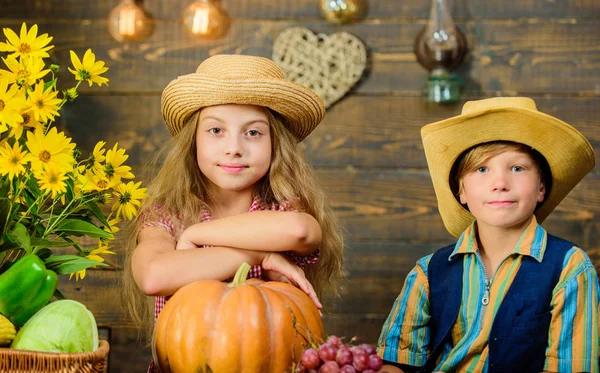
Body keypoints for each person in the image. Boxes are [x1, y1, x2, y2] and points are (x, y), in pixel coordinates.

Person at [122, 54, 344, 372]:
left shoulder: (279, 208)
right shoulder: (168, 214)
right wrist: (259, 255)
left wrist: (196, 235)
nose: (234, 148)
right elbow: (154, 275)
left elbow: (299, 230)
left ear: (275, 145)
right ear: (192, 141)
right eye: (216, 131)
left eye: (253, 133)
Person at [377, 97, 599, 373]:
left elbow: (571, 368)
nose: (500, 184)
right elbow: (396, 365)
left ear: (541, 187)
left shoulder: (570, 268)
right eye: (481, 169)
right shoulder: (427, 272)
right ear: (462, 191)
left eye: (517, 168)